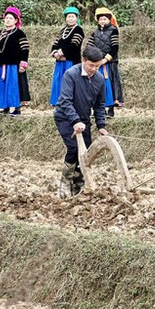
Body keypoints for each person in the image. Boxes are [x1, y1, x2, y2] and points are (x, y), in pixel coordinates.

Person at [55, 46, 109, 198]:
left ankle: (78, 181)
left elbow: (99, 105)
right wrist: (75, 121)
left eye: (97, 66)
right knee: (73, 148)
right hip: (65, 117)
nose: (93, 69)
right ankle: (65, 181)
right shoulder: (71, 75)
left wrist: (101, 125)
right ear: (83, 60)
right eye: (91, 65)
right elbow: (65, 101)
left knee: (85, 153)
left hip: (84, 120)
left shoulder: (99, 79)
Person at [0, 6, 30, 116]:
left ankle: (16, 109)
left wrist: (23, 62)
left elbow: (25, 49)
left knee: (14, 87)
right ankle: (5, 108)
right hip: (1, 65)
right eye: (6, 18)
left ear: (16, 20)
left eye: (11, 18)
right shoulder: (0, 33)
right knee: (3, 87)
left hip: (13, 65)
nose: (8, 20)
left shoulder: (19, 33)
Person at [88, 7, 123, 117]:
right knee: (96, 86)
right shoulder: (95, 32)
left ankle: (111, 109)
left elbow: (114, 47)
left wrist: (105, 59)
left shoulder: (113, 30)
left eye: (105, 19)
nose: (103, 21)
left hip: (109, 63)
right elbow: (89, 46)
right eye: (101, 19)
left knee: (110, 86)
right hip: (97, 63)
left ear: (109, 20)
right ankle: (99, 109)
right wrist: (92, 58)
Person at [49, 6, 85, 106]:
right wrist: (55, 53)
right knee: (58, 81)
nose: (70, 19)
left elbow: (74, 45)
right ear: (66, 18)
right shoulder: (62, 30)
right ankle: (58, 102)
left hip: (71, 61)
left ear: (77, 18)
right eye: (69, 17)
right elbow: (55, 44)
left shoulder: (79, 30)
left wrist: (61, 53)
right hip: (60, 61)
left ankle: (71, 103)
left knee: (70, 82)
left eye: (73, 16)